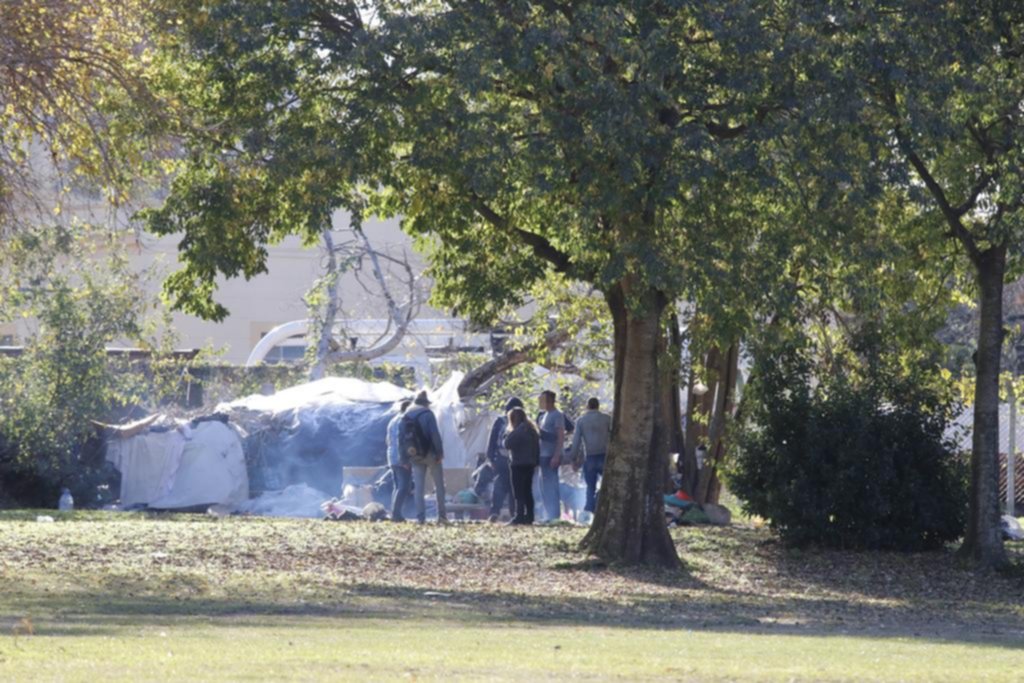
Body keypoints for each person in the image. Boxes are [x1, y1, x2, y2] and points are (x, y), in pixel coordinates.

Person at [404, 390, 448, 524]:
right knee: (439, 485)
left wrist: (405, 458)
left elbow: (401, 438)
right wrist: (439, 452)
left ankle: (420, 517)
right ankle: (441, 516)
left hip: (415, 455)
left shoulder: (407, 415)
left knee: (419, 487)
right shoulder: (428, 414)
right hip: (430, 454)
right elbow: (434, 434)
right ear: (426, 404)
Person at [571, 397, 612, 516]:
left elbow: (576, 442)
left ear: (588, 406)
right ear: (598, 406)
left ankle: (590, 510)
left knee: (590, 487)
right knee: (607, 485)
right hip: (605, 456)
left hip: (590, 457)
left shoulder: (581, 421)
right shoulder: (607, 419)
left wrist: (573, 458)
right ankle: (605, 507)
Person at [484, 397, 521, 522]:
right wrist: (491, 458)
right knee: (500, 486)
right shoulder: (500, 422)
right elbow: (492, 440)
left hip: (516, 459)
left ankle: (513, 512)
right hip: (502, 459)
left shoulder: (522, 423)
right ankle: (495, 512)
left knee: (513, 488)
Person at [503, 406, 540, 524]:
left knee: (518, 492)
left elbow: (507, 444)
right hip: (530, 464)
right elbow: (537, 448)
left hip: (518, 464)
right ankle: (530, 516)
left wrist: (507, 435)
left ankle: (519, 515)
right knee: (528, 491)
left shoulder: (518, 431)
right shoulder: (531, 430)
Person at [536, 390, 565, 522]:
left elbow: (560, 436)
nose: (541, 402)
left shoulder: (557, 415)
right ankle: (548, 515)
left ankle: (554, 516)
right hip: (542, 455)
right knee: (543, 487)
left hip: (550, 455)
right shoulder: (543, 416)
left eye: (543, 400)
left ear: (551, 401)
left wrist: (556, 455)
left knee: (551, 486)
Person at [386, 399, 413, 522]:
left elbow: (388, 440)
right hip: (401, 457)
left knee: (397, 486)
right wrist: (405, 459)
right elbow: (402, 441)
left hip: (391, 456)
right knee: (404, 487)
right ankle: (396, 514)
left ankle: (395, 512)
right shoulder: (404, 420)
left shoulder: (393, 420)